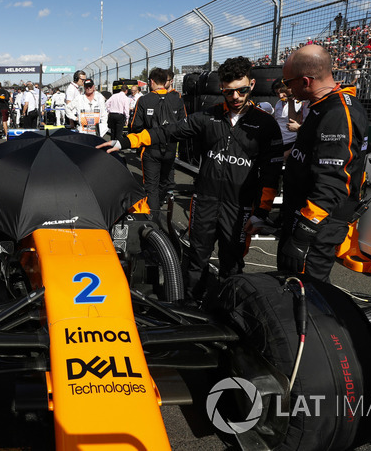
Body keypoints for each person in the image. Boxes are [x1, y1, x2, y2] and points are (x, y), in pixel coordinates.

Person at [102, 57, 283, 303]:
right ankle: (190, 307)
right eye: (229, 92)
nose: (236, 97)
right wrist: (125, 141)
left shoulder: (266, 124)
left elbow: (271, 173)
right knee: (196, 258)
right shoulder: (207, 117)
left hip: (239, 206)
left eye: (242, 90)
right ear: (222, 88)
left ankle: (230, 308)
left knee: (232, 262)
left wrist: (261, 212)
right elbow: (167, 131)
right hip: (205, 200)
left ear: (251, 84)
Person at [277, 44, 369, 282]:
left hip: (318, 226)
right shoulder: (324, 106)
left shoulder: (337, 113)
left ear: (306, 81)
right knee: (290, 286)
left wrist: (303, 234)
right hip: (304, 215)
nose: (287, 89)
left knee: (305, 291)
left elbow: (333, 183)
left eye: (289, 82)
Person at [129, 68, 186, 214]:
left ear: (152, 82)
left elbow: (135, 125)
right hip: (171, 148)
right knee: (165, 182)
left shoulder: (144, 99)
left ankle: (153, 215)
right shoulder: (177, 99)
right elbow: (184, 124)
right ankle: (159, 205)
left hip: (150, 148)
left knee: (151, 185)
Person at [271, 77, 309, 158]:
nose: (280, 95)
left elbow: (294, 121)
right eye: (277, 93)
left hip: (291, 142)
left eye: (282, 92)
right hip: (279, 142)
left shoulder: (298, 102)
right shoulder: (278, 103)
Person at [106, 82, 131, 147]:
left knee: (113, 132)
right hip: (120, 115)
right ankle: (117, 147)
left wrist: (109, 110)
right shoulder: (125, 98)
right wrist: (127, 118)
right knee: (119, 133)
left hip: (112, 114)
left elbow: (107, 103)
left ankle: (111, 145)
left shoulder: (114, 95)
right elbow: (126, 109)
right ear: (126, 91)